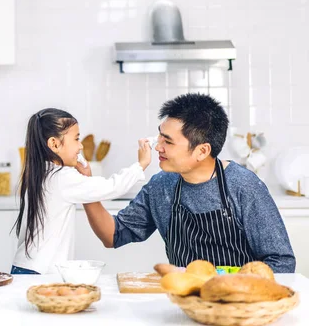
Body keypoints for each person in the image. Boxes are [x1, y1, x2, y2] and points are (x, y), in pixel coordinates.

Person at [83, 93, 295, 272]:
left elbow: (281, 262)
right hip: (186, 301)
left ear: (202, 150)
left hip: (238, 305)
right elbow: (113, 235)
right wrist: (86, 187)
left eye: (168, 141)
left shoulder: (243, 186)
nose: (158, 147)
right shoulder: (161, 186)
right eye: (160, 138)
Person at [11, 108, 152, 275]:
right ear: (54, 144)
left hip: (24, 267)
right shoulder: (62, 177)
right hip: (41, 272)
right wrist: (141, 164)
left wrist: (85, 177)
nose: (81, 146)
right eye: (76, 139)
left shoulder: (40, 174)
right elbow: (112, 187)